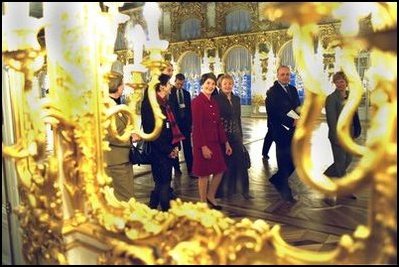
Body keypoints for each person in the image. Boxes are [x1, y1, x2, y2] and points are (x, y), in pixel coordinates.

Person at [141, 74, 185, 211]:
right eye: (169, 84)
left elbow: (174, 125)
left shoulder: (168, 102)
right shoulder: (149, 104)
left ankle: (153, 206)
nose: (171, 86)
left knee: (162, 181)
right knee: (163, 181)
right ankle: (165, 211)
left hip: (170, 147)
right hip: (158, 149)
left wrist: (176, 147)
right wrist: (168, 149)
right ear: (162, 87)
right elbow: (151, 131)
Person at [192, 73, 232, 210]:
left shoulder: (214, 102)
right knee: (203, 174)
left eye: (213, 84)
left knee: (220, 170)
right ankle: (203, 202)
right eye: (208, 83)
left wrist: (226, 143)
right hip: (202, 143)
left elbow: (218, 124)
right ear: (202, 84)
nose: (210, 86)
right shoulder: (197, 102)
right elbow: (197, 127)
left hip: (215, 142)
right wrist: (203, 146)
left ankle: (211, 196)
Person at [214, 74, 254, 200]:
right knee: (225, 165)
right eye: (225, 83)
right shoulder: (215, 99)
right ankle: (223, 191)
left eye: (230, 83)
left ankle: (244, 191)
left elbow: (238, 119)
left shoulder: (236, 99)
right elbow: (217, 121)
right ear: (220, 85)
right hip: (223, 137)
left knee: (241, 163)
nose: (228, 86)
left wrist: (241, 136)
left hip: (236, 136)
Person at [323, 71, 361, 204]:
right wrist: (336, 137)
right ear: (335, 83)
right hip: (337, 136)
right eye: (338, 82)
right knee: (340, 163)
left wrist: (355, 131)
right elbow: (331, 121)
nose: (340, 84)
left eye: (342, 81)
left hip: (349, 135)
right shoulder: (331, 99)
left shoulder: (350, 95)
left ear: (346, 82)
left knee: (347, 160)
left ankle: (326, 175)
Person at [266, 65, 301, 203]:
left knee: (295, 161)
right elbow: (273, 113)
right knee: (283, 162)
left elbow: (297, 106)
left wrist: (299, 118)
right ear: (277, 76)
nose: (285, 77)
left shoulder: (293, 89)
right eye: (282, 74)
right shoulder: (272, 92)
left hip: (295, 131)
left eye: (287, 74)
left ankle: (277, 179)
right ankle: (286, 193)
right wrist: (290, 121)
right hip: (280, 132)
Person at [104, 71, 135, 201]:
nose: (123, 87)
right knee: (125, 199)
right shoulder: (107, 107)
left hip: (122, 159)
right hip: (115, 162)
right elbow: (108, 135)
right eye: (122, 84)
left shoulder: (116, 104)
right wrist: (130, 137)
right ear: (117, 86)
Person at [169, 73, 195, 177]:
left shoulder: (187, 94)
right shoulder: (170, 93)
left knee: (188, 147)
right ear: (175, 81)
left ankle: (191, 169)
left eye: (182, 84)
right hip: (175, 125)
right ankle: (176, 168)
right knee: (175, 147)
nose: (180, 86)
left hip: (185, 125)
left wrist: (191, 124)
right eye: (178, 83)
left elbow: (190, 110)